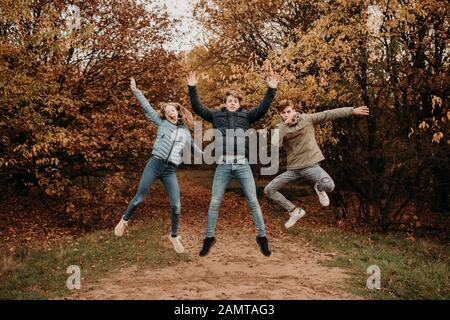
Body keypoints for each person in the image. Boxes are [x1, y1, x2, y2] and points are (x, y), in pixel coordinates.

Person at [187, 71, 279, 257]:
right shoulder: (216, 116)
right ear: (225, 102)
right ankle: (209, 237)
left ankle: (262, 237)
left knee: (253, 201)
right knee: (214, 202)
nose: (233, 103)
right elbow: (198, 107)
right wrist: (192, 87)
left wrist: (271, 90)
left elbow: (262, 108)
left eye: (236, 101)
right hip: (223, 165)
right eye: (230, 100)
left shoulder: (246, 116)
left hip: (243, 164)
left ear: (239, 103)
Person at [114, 77, 201, 254]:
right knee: (140, 197)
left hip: (169, 170)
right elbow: (146, 107)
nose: (171, 113)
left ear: (177, 112)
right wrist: (136, 91)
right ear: (165, 114)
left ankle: (174, 236)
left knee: (176, 205)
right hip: (155, 164)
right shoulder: (160, 122)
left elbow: (194, 147)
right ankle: (124, 220)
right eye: (167, 111)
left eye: (173, 110)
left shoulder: (184, 131)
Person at [264, 99, 370, 228]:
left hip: (311, 166)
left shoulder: (307, 119)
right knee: (269, 190)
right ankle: (294, 211)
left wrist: (351, 110)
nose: (287, 115)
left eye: (289, 111)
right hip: (294, 169)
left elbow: (329, 114)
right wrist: (285, 124)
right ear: (280, 115)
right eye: (283, 113)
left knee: (329, 186)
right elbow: (275, 144)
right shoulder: (281, 128)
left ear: (294, 110)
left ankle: (318, 188)